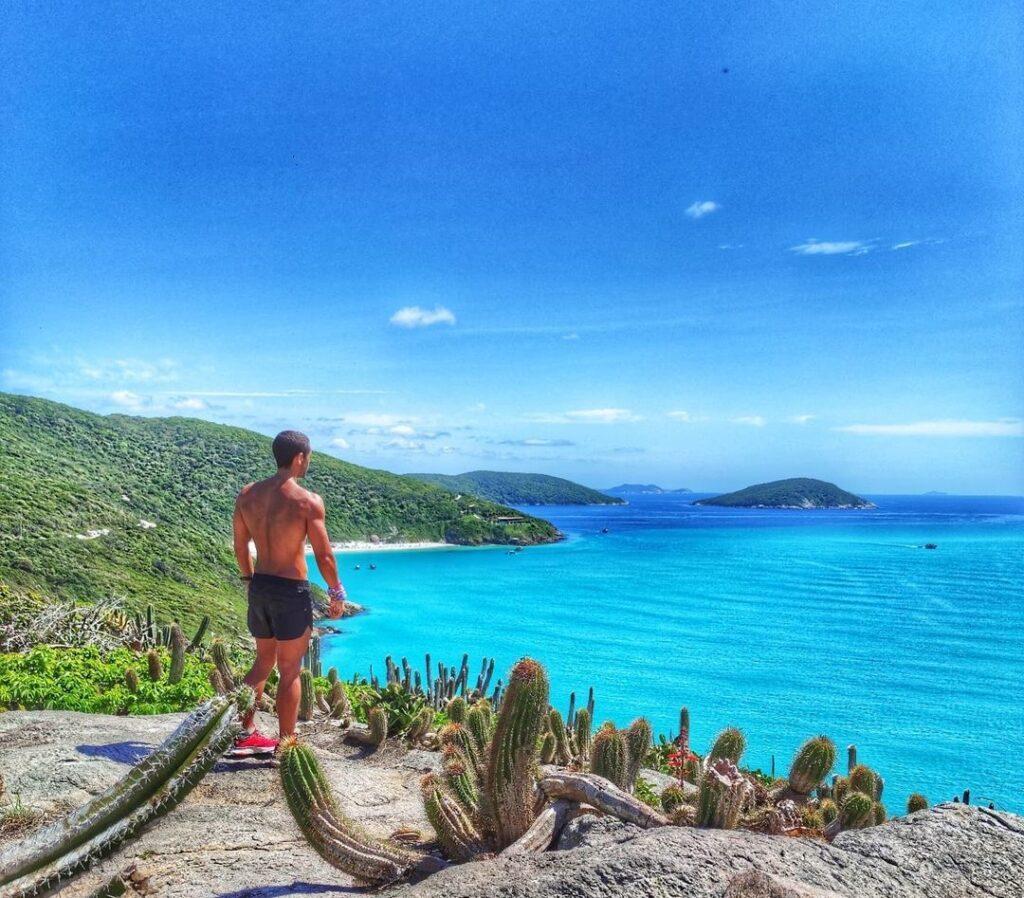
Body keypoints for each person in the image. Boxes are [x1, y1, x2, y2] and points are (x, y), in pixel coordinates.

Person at [230, 430, 346, 754]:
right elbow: (324, 556)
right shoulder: (307, 501)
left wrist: (248, 579)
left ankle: (244, 732)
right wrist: (336, 593)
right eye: (308, 457)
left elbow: (241, 546)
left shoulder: (247, 495)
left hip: (260, 585)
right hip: (291, 591)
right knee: (291, 670)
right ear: (299, 458)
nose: (308, 462)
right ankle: (286, 744)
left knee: (262, 663)